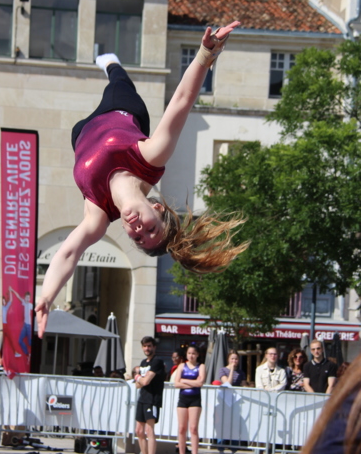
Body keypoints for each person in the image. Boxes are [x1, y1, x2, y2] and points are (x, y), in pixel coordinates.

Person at [35, 21, 246, 338]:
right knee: (119, 82)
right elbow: (182, 100)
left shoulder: (98, 216)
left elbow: (67, 254)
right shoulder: (150, 158)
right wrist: (206, 54)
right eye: (150, 229)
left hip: (81, 135)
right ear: (157, 208)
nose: (138, 229)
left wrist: (47, 297)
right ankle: (112, 63)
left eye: (138, 238)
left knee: (79, 128)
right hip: (122, 111)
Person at [132, 336, 166, 454]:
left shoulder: (157, 361)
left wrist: (137, 377)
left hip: (152, 399)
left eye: (149, 346)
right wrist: (140, 379)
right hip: (142, 398)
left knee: (149, 430)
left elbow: (145, 381)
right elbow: (138, 385)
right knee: (139, 431)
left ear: (154, 347)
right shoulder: (143, 362)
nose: (147, 348)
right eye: (145, 346)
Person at [173, 345, 205, 454]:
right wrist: (193, 383)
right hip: (183, 398)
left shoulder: (201, 366)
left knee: (193, 428)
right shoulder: (182, 366)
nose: (191, 356)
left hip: (195, 399)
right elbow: (176, 383)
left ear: (197, 355)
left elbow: (200, 382)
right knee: (182, 428)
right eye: (189, 353)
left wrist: (184, 381)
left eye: (193, 353)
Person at [255, 347, 287, 454]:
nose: (273, 356)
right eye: (271, 354)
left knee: (272, 431)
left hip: (276, 404)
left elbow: (282, 385)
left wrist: (271, 390)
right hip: (263, 402)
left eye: (275, 354)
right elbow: (259, 386)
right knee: (261, 429)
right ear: (266, 355)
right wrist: (267, 391)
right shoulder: (259, 369)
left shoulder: (281, 371)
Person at [217, 350, 247, 454]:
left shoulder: (241, 372)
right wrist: (232, 370)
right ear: (228, 359)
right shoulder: (223, 370)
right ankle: (221, 452)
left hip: (236, 403)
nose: (234, 361)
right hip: (224, 402)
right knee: (223, 426)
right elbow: (227, 383)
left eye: (236, 359)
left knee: (235, 428)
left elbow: (243, 385)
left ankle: (234, 453)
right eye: (232, 358)